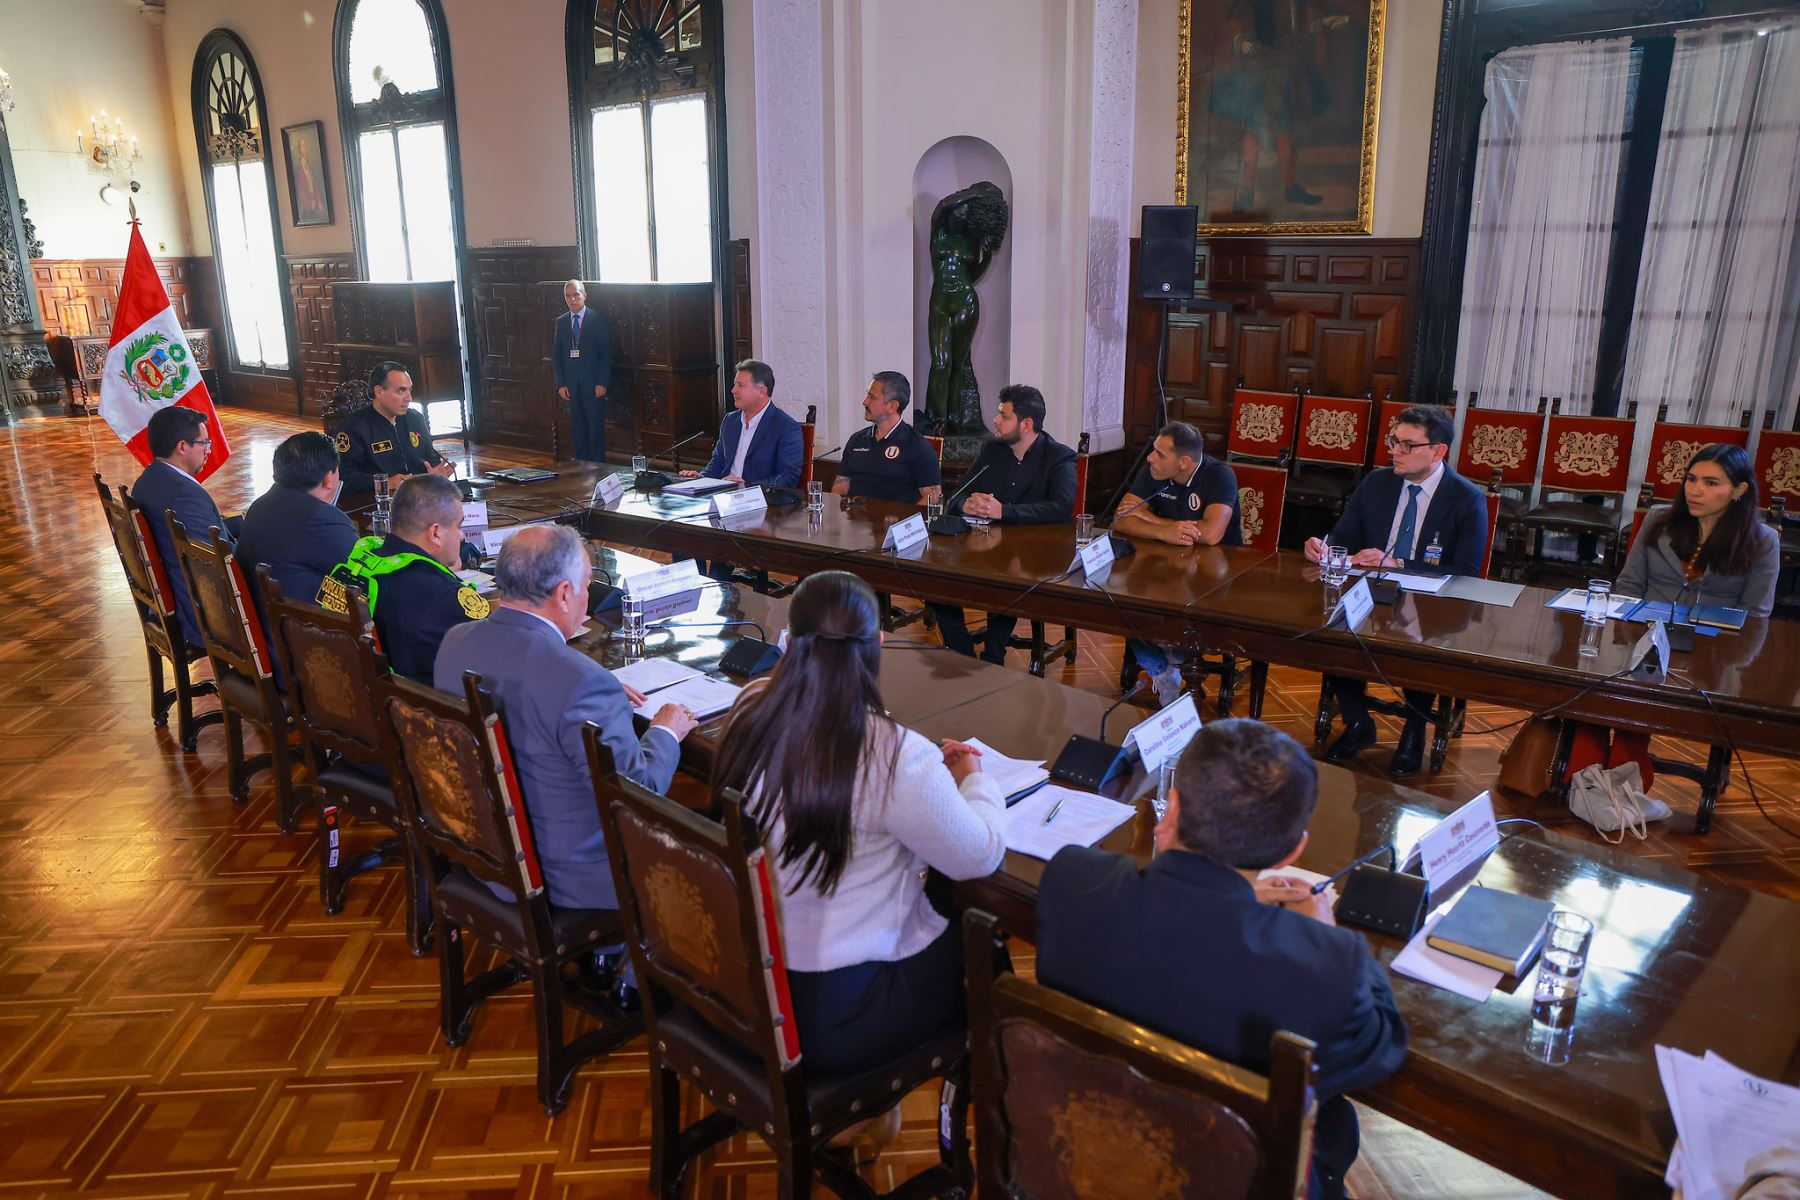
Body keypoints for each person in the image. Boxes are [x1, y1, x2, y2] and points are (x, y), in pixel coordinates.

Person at [1036, 719, 1407, 1200]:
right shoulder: (1326, 966)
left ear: (1172, 808)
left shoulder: (1070, 881)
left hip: (1081, 1162)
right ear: (1293, 850)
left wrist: (1231, 895)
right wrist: (1320, 934)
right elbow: (1381, 1045)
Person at [711, 571, 1005, 1082]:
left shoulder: (749, 708)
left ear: (790, 640)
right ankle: (966, 1129)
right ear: (879, 646)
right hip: (838, 1015)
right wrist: (976, 782)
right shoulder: (893, 753)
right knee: (988, 955)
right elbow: (978, 855)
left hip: (750, 978)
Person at [434, 525, 697, 919]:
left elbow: (532, 684)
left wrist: (597, 690)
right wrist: (665, 730)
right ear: (563, 593)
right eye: (587, 585)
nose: (588, 598)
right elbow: (638, 792)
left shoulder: (455, 641)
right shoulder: (582, 682)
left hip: (479, 852)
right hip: (571, 880)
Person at [1567, 442, 1779, 787]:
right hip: (1645, 639)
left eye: (1711, 483)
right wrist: (1628, 639)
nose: (1696, 490)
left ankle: (1621, 772)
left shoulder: (1762, 541)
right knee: (1592, 683)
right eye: (1691, 479)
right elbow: (1630, 585)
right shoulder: (1659, 521)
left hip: (1711, 654)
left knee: (1640, 697)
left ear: (1739, 490)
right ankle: (1585, 771)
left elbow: (1755, 615)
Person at [1302, 404, 1487, 777]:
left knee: (1422, 644)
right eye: (1393, 442)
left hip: (1433, 600)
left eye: (1407, 445)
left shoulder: (1466, 498)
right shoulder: (1377, 483)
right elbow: (1343, 536)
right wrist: (1324, 547)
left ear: (1438, 451)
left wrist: (1400, 565)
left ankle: (1414, 728)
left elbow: (1466, 573)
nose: (1395, 452)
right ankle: (1358, 721)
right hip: (1372, 591)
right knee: (1334, 631)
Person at [927, 385, 1078, 661]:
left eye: (1004, 416)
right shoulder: (992, 451)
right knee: (934, 579)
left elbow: (1061, 507)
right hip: (985, 547)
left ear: (1027, 424)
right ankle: (961, 650)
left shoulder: (1059, 457)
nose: (995, 421)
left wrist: (1004, 512)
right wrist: (965, 504)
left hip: (1037, 554)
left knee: (1006, 580)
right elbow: (957, 494)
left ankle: (994, 655)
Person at [1113, 421, 1243, 705]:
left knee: (1180, 613)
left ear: (1184, 462)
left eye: (1159, 453)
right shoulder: (1154, 471)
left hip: (1214, 578)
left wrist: (1149, 518)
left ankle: (1175, 658)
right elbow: (1121, 518)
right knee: (1122, 605)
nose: (1150, 457)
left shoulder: (1219, 475)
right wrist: (1163, 531)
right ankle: (1164, 668)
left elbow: (1210, 534)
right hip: (1163, 566)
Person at [318, 475, 487, 683]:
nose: (461, 536)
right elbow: (487, 654)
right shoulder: (443, 595)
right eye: (458, 526)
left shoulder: (361, 564)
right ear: (435, 533)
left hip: (354, 692)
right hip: (422, 709)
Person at [131, 404, 239, 651]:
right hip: (203, 616)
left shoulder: (148, 480)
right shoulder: (185, 494)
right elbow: (221, 558)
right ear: (182, 447)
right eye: (204, 443)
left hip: (173, 596)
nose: (209, 450)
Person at [234, 431, 358, 637]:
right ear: (329, 478)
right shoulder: (323, 519)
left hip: (262, 629)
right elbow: (365, 579)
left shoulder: (260, 505)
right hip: (306, 644)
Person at [679, 359, 804, 489]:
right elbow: (717, 463)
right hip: (725, 496)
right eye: (734, 385)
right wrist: (700, 478)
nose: (733, 390)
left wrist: (747, 486)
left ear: (762, 391)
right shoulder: (730, 420)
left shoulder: (786, 427)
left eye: (740, 385)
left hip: (760, 500)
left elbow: (787, 478)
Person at [335, 361, 454, 498]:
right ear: (379, 391)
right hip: (376, 502)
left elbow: (431, 459)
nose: (409, 398)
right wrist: (384, 482)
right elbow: (344, 477)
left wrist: (436, 474)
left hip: (421, 497)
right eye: (401, 391)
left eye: (409, 390)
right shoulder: (354, 427)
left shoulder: (415, 418)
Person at [832, 371, 941, 503]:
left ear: (892, 406)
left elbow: (932, 498)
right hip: (854, 519)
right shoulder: (857, 440)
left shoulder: (918, 446)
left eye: (872, 397)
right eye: (867, 395)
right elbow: (840, 487)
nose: (865, 402)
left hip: (894, 521)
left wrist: (907, 522)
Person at [552, 279, 612, 463]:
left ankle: (598, 465)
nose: (572, 299)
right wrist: (561, 383)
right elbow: (557, 356)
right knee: (578, 428)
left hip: (593, 385)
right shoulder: (561, 322)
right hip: (572, 385)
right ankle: (580, 464)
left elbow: (606, 354)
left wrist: (602, 382)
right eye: (568, 296)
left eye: (576, 295)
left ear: (584, 295)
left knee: (595, 427)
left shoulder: (597, 320)